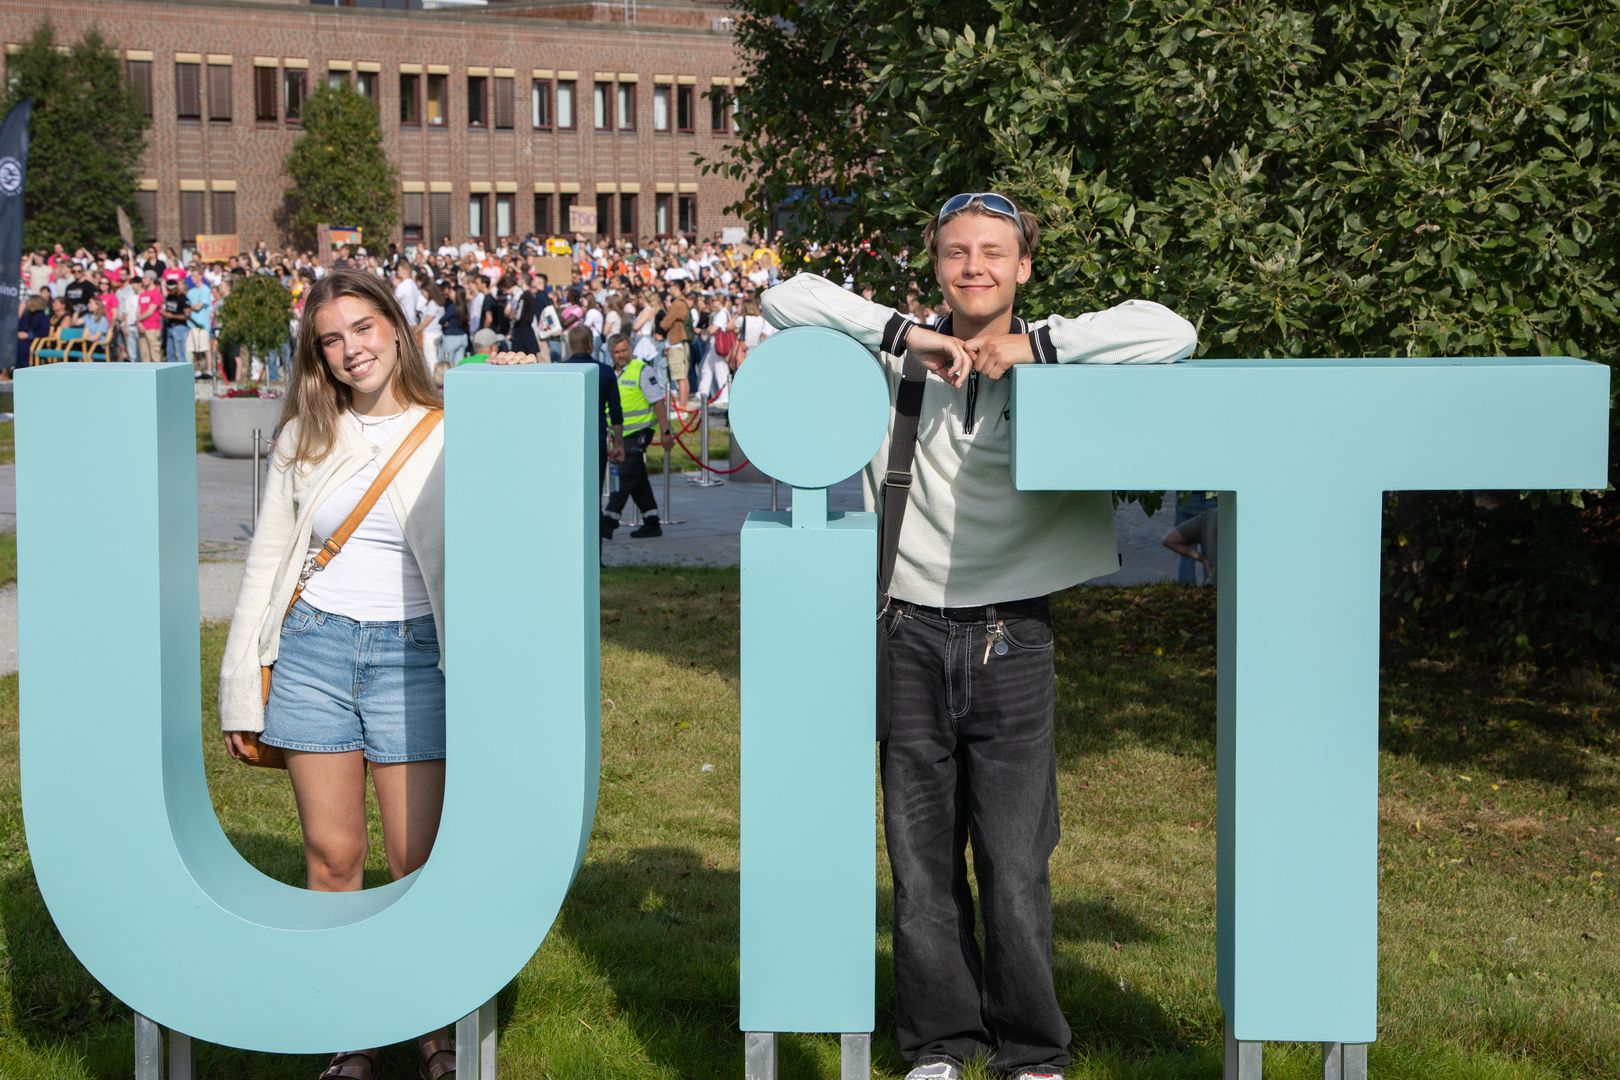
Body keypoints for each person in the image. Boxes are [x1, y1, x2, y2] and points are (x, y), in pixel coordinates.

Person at [760, 192, 1197, 1080]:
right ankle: (938, 1045)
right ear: (936, 266)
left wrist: (1036, 346)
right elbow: (786, 297)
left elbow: (1174, 332)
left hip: (1016, 632)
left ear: (1023, 266)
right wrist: (902, 335)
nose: (974, 268)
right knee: (921, 865)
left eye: (994, 253)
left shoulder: (1061, 355)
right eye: (957, 252)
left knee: (1014, 860)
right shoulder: (901, 357)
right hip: (909, 627)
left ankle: (1033, 1049)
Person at [217, 269, 530, 1080]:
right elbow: (265, 567)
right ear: (318, 355)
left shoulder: (453, 423)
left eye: (362, 328)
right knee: (330, 856)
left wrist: (520, 384)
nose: (351, 348)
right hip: (316, 653)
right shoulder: (305, 437)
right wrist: (238, 687)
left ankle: (430, 1029)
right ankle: (349, 1031)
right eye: (332, 338)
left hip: (414, 655)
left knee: (415, 858)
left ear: (395, 327)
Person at [600, 332, 673, 539]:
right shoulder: (609, 373)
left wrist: (665, 431)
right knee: (636, 475)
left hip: (640, 432)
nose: (621, 355)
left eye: (624, 350)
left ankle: (609, 522)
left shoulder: (642, 370)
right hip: (621, 433)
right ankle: (651, 521)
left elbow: (658, 402)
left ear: (630, 348)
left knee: (624, 472)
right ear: (611, 353)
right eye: (616, 352)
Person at [1161, 504, 1217, 585]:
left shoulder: (1210, 516)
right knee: (1211, 550)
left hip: (1189, 500)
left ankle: (1189, 588)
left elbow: (1169, 540)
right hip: (1212, 500)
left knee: (1187, 560)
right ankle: (1211, 584)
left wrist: (1203, 560)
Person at [658, 279, 692, 411]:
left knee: (680, 377)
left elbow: (665, 323)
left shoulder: (678, 303)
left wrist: (663, 321)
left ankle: (682, 407)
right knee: (683, 376)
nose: (669, 289)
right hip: (680, 342)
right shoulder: (682, 301)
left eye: (670, 286)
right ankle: (684, 405)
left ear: (676, 287)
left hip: (677, 343)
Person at [14, 295, 49, 370]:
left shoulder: (43, 317)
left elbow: (44, 331)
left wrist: (28, 335)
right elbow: (19, 327)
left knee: (21, 345)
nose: (28, 303)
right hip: (21, 338)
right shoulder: (26, 316)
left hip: (34, 341)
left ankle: (22, 368)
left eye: (29, 301)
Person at [161, 279, 190, 364]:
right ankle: (172, 376)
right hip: (169, 327)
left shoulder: (183, 299)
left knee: (180, 353)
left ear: (176, 288)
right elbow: (167, 308)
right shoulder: (169, 297)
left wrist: (172, 316)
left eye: (171, 289)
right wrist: (164, 313)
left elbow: (187, 316)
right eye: (168, 289)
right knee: (169, 354)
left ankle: (183, 375)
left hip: (179, 327)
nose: (169, 291)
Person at [137, 272, 163, 361]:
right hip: (142, 327)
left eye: (145, 278)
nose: (143, 280)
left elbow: (150, 311)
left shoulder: (156, 292)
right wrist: (139, 324)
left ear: (152, 280)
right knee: (144, 355)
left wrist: (137, 319)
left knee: (154, 354)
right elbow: (139, 309)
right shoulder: (142, 293)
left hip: (153, 327)